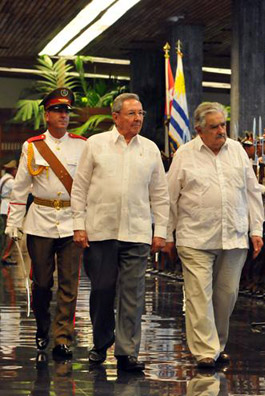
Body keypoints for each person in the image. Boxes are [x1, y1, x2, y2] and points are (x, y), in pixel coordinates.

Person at [71, 92, 169, 372]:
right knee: (102, 291)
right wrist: (79, 225)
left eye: (140, 114)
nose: (138, 118)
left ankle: (127, 352)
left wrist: (160, 230)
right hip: (100, 232)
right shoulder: (95, 144)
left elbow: (160, 194)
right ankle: (101, 344)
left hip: (137, 234)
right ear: (115, 117)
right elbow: (79, 188)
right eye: (131, 113)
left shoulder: (149, 149)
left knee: (133, 294)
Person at [164, 102, 264, 369]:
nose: (221, 131)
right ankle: (204, 351)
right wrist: (166, 235)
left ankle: (217, 346)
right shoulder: (184, 155)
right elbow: (169, 198)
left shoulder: (238, 151)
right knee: (198, 295)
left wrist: (256, 230)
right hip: (195, 238)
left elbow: (252, 192)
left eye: (223, 125)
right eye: (215, 126)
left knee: (227, 294)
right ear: (199, 130)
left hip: (233, 236)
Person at [5, 88, 86, 360]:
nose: (64, 115)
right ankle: (42, 326)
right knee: (41, 282)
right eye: (58, 110)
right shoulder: (32, 145)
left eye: (66, 111)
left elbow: (87, 187)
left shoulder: (82, 145)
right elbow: (20, 189)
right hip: (39, 221)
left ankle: (62, 338)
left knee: (69, 283)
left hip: (72, 221)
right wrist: (13, 224)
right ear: (47, 114)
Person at [0, 160, 18, 264]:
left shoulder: (3, 179)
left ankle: (4, 254)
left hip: (3, 206)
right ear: (13, 170)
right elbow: (19, 191)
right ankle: (6, 255)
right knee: (10, 233)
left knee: (4, 233)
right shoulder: (11, 181)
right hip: (8, 207)